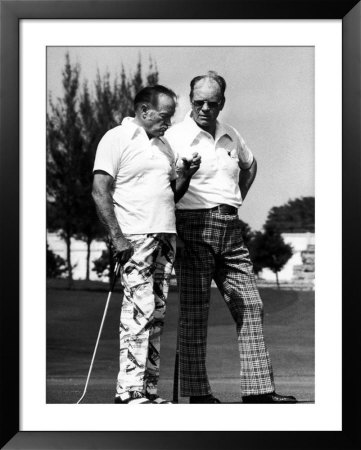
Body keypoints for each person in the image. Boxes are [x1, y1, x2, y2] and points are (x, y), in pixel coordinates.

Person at [165, 71, 297, 404]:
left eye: (212, 102)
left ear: (222, 102)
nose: (205, 108)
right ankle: (198, 394)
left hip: (230, 227)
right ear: (190, 99)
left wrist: (235, 198)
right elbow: (162, 186)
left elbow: (250, 166)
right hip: (191, 226)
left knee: (251, 304)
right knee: (195, 313)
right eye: (198, 102)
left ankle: (258, 391)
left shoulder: (231, 134)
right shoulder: (174, 136)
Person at [92, 85, 201, 404]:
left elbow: (171, 194)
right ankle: (128, 390)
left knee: (156, 311)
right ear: (143, 111)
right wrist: (116, 236)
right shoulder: (117, 137)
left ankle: (148, 390)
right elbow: (100, 190)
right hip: (135, 236)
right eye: (165, 116)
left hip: (166, 235)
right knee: (138, 311)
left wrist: (187, 175)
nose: (169, 122)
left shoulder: (165, 145)